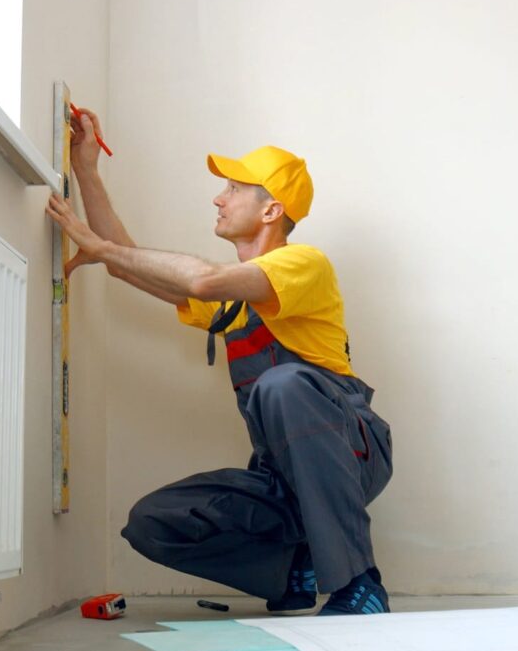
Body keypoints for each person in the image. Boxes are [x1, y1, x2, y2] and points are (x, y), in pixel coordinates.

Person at [46, 109, 393, 615]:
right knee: (154, 520)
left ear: (272, 210)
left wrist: (99, 248)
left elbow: (201, 280)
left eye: (233, 188)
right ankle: (294, 568)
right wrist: (87, 170)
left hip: (352, 450)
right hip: (284, 476)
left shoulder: (304, 264)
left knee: (283, 384)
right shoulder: (231, 302)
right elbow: (126, 260)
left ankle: (360, 583)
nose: (218, 197)